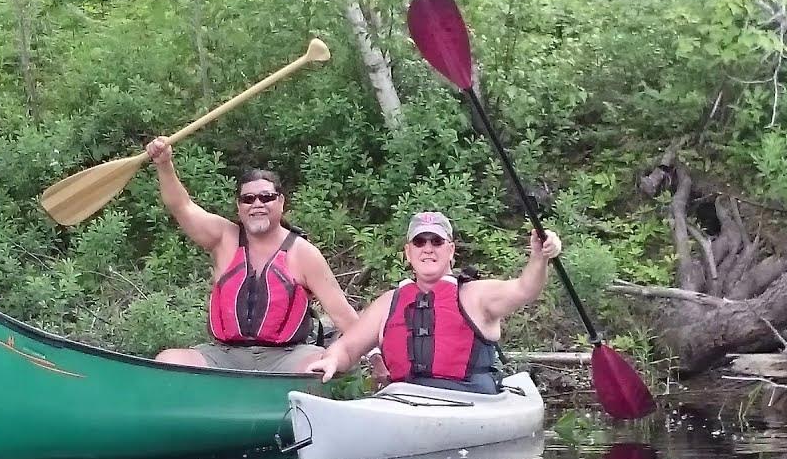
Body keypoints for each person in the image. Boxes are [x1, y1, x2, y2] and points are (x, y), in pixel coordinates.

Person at [145, 136, 358, 372]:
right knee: (169, 359)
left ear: (281, 202)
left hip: (288, 357)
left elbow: (345, 317)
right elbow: (181, 206)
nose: (257, 204)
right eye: (248, 199)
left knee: (320, 363)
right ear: (239, 207)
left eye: (266, 197)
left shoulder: (304, 253)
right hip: (224, 356)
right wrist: (164, 164)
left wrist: (376, 356)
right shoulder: (222, 238)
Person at [308, 211, 561, 394]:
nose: (427, 249)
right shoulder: (389, 303)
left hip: (469, 401)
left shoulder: (476, 295)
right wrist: (332, 359)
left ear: (450, 250)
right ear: (408, 252)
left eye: (436, 241)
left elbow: (525, 289)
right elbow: (348, 348)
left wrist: (539, 257)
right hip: (405, 401)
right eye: (420, 242)